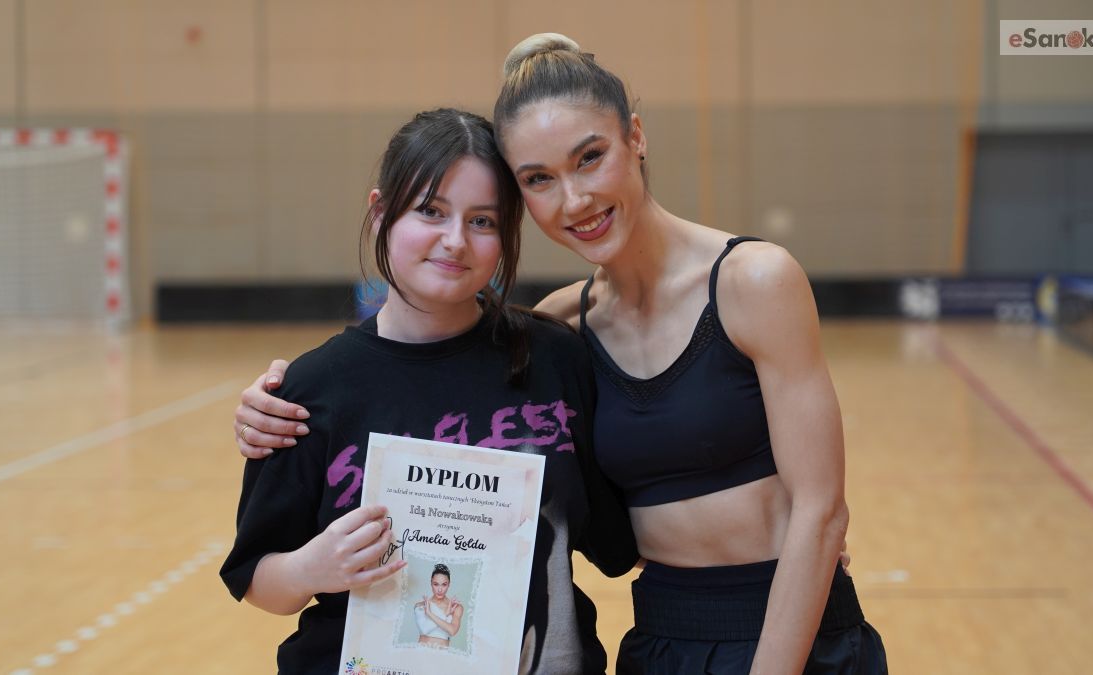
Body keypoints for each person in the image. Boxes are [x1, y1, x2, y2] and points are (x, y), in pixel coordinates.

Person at [236, 33, 884, 674]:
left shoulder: (743, 284)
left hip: (785, 633)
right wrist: (268, 409)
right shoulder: (559, 329)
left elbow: (818, 511)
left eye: (590, 157)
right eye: (539, 179)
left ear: (636, 136)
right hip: (661, 637)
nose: (574, 199)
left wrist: (795, 562)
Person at [220, 108, 637, 675]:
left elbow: (620, 541)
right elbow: (255, 578)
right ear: (381, 212)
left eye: (482, 221)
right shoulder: (310, 391)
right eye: (431, 211)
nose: (455, 241)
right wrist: (313, 568)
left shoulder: (555, 359)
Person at [413, 563, 464, 648]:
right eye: (436, 584)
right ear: (431, 583)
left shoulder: (456, 607)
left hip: (442, 653)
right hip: (421, 652)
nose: (440, 589)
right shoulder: (420, 606)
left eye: (444, 584)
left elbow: (452, 631)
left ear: (449, 584)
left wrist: (430, 614)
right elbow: (424, 630)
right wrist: (446, 614)